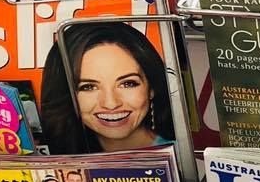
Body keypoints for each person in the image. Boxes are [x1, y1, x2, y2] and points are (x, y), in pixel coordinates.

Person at [40, 22, 174, 155]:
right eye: (89, 87)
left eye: (127, 84)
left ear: (151, 88)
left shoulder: (186, 159)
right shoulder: (59, 157)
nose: (111, 104)